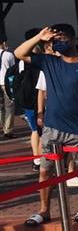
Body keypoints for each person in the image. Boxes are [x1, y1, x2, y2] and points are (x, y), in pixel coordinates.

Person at [14, 24, 78, 226]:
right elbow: (19, 53)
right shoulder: (49, 62)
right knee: (45, 170)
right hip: (52, 128)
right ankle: (44, 210)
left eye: (63, 38)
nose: (58, 42)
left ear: (74, 39)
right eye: (55, 40)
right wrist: (39, 36)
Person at [12, 29, 44, 170]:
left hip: (27, 100)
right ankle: (42, 161)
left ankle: (37, 159)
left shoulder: (21, 61)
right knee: (41, 132)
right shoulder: (37, 59)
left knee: (34, 130)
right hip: (37, 99)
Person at [0, 35, 17, 139]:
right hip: (6, 83)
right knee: (9, 106)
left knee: (0, 107)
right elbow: (13, 69)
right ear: (4, 43)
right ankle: (8, 130)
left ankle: (3, 126)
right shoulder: (9, 55)